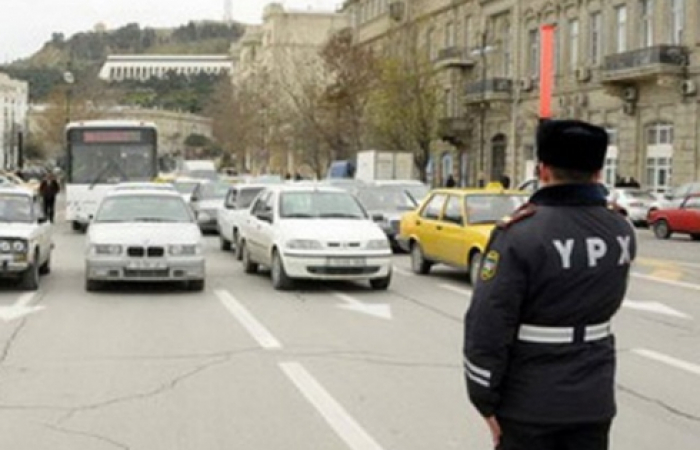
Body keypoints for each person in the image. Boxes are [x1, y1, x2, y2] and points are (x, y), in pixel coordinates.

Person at [463, 119, 636, 450]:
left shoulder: (519, 234)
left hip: (529, 403)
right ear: (599, 173)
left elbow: (488, 323)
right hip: (593, 398)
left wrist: (483, 396)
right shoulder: (620, 229)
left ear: (543, 170)